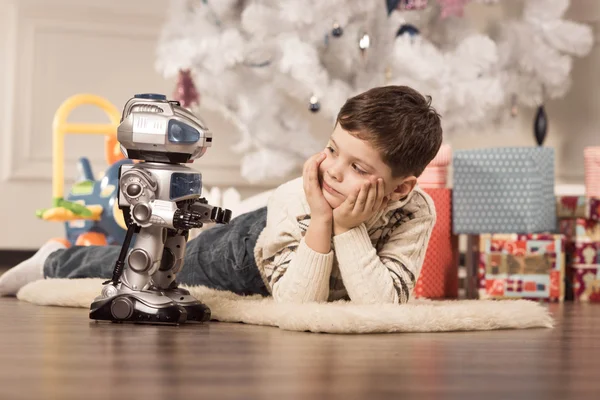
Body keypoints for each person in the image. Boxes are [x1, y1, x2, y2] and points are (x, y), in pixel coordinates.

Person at [0, 85, 443, 304]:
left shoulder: (415, 211)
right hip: (244, 251)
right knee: (158, 267)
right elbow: (297, 304)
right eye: (331, 150)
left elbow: (385, 305)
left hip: (302, 243)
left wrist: (345, 229)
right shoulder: (303, 197)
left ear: (401, 188)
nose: (333, 171)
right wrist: (326, 221)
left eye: (358, 168)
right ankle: (56, 260)